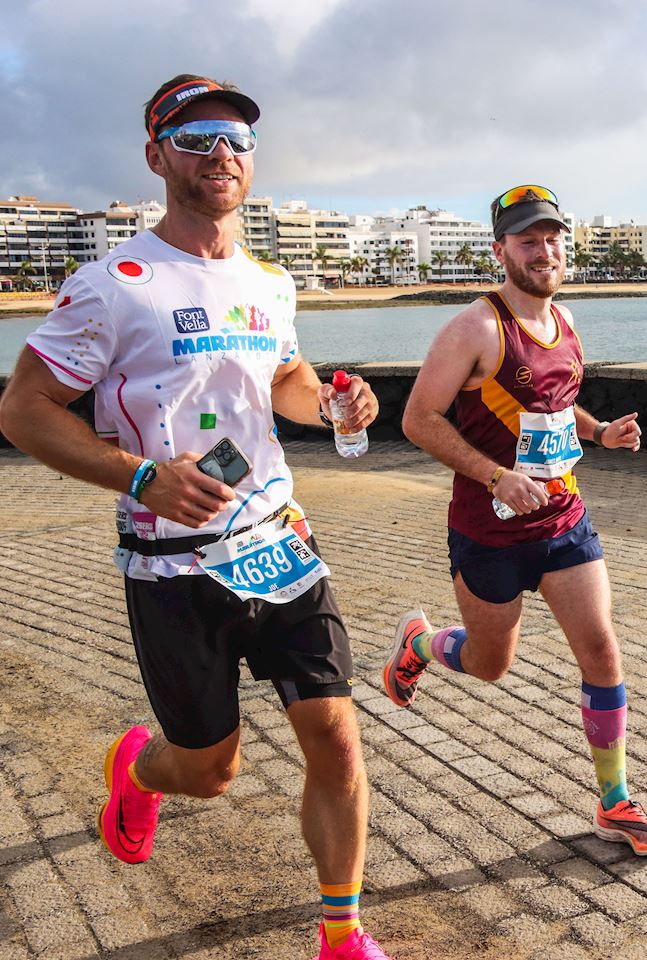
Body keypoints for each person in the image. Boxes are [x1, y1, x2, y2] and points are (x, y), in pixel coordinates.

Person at [0, 75, 393, 960]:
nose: (223, 151)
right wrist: (142, 477)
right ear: (156, 156)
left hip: (278, 541)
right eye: (197, 135)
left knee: (334, 739)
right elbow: (23, 411)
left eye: (239, 139)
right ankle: (139, 769)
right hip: (171, 565)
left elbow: (284, 380)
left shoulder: (270, 281)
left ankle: (342, 932)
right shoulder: (112, 285)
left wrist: (334, 408)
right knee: (210, 773)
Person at [386, 184, 647, 856]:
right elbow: (417, 419)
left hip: (564, 521)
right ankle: (422, 646)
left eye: (551, 239)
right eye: (527, 241)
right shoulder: (474, 329)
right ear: (501, 251)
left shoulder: (567, 321)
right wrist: (494, 475)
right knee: (490, 665)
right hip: (489, 531)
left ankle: (614, 802)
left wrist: (600, 433)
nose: (543, 252)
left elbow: (552, 405)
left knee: (601, 650)